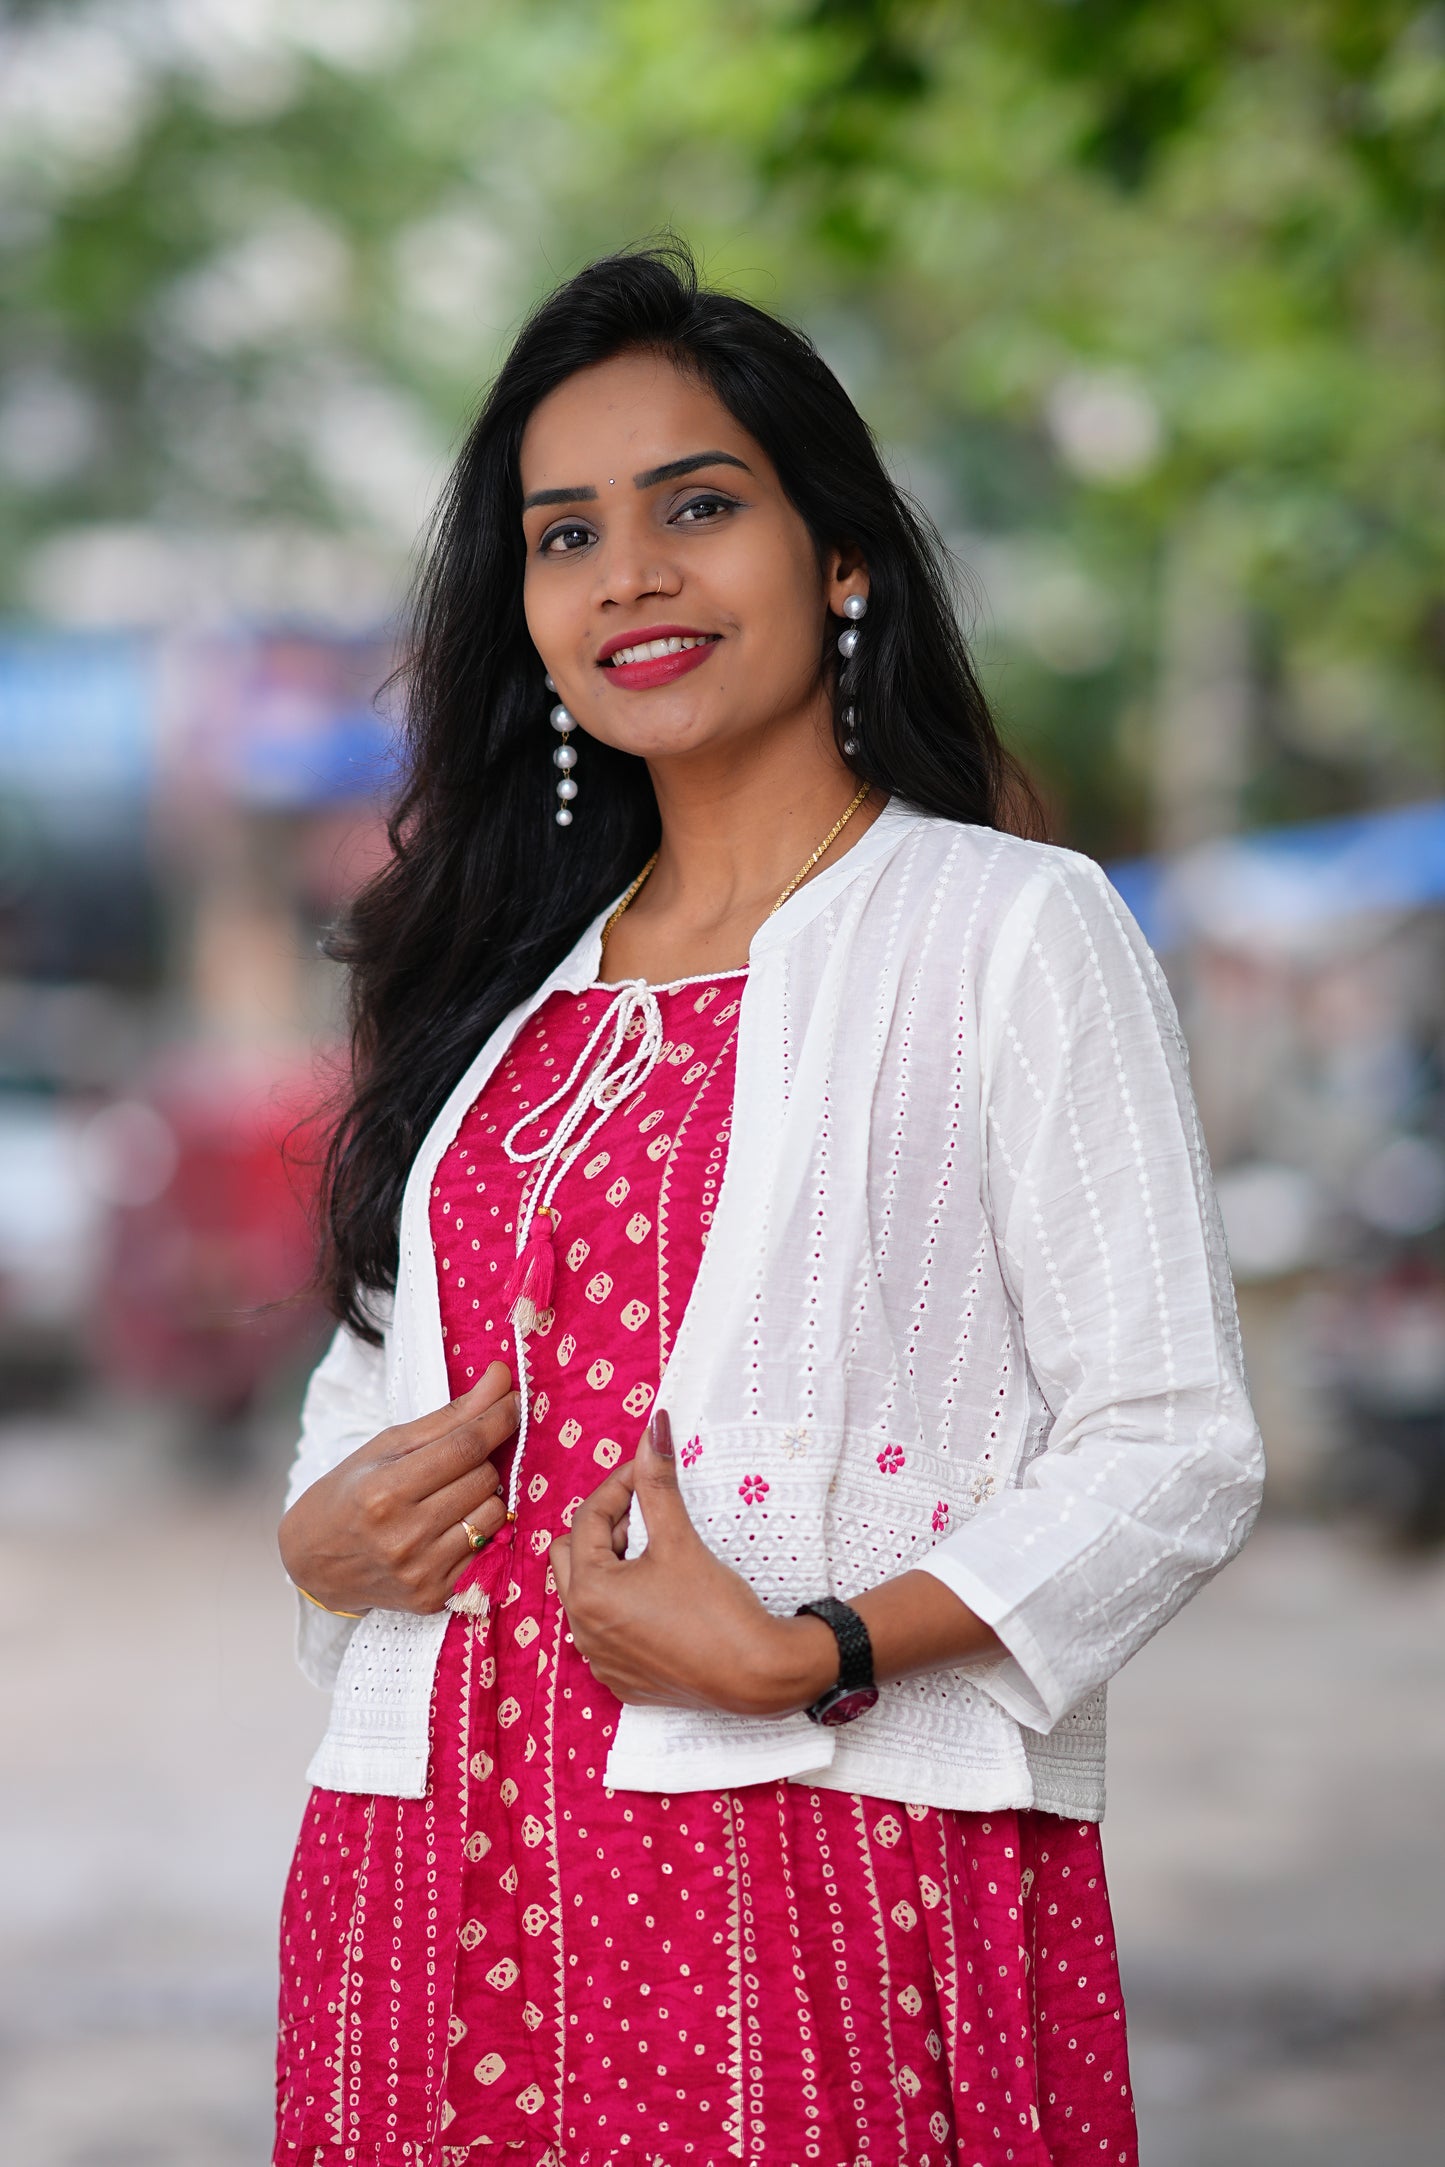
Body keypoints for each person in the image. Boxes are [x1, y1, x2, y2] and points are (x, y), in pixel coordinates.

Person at [273, 240, 1263, 2167]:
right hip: (423, 1873)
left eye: (696, 506)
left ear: (841, 559)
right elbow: (375, 1380)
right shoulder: (504, 999)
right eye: (564, 536)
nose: (627, 571)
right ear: (532, 617)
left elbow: (1170, 1441)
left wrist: (814, 1647)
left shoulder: (1005, 930)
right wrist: (324, 1543)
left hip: (811, 1872)